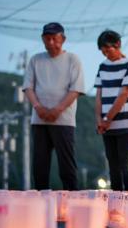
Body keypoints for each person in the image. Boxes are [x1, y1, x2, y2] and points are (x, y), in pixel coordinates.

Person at [22, 22, 85, 190]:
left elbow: (76, 89)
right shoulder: (35, 59)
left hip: (64, 119)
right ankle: (40, 201)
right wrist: (38, 107)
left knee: (67, 165)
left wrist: (57, 110)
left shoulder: (73, 59)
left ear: (63, 39)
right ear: (43, 39)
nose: (51, 42)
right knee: (39, 165)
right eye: (47, 38)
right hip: (39, 119)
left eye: (54, 38)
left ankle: (71, 200)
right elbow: (28, 87)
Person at [94, 30, 128, 191]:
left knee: (126, 163)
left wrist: (107, 119)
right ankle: (115, 202)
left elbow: (124, 94)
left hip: (126, 123)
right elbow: (98, 95)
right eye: (103, 52)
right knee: (112, 164)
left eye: (108, 49)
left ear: (118, 44)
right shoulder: (103, 66)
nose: (106, 54)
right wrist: (99, 120)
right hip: (107, 126)